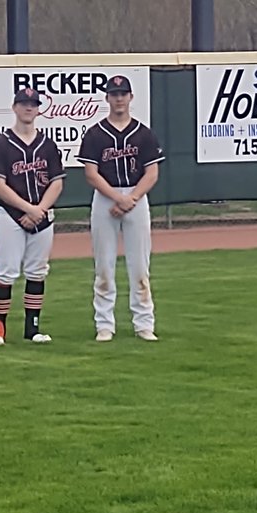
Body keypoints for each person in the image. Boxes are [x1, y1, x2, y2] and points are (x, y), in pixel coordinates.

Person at [78, 75, 165, 342]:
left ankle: (144, 324)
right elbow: (91, 174)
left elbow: (152, 173)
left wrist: (131, 198)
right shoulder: (95, 134)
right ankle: (104, 324)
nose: (119, 98)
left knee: (140, 266)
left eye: (123, 94)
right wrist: (117, 197)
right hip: (106, 197)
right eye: (114, 94)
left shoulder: (143, 133)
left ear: (130, 97)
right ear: (107, 98)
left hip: (136, 198)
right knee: (103, 265)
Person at [0, 87, 65, 345]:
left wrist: (39, 210)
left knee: (37, 271)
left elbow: (57, 182)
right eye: (24, 104)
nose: (29, 108)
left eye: (33, 104)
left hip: (42, 215)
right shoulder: (1, 144)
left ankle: (33, 328)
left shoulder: (47, 145)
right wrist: (28, 209)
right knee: (6, 272)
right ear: (14, 108)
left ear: (39, 109)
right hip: (11, 215)